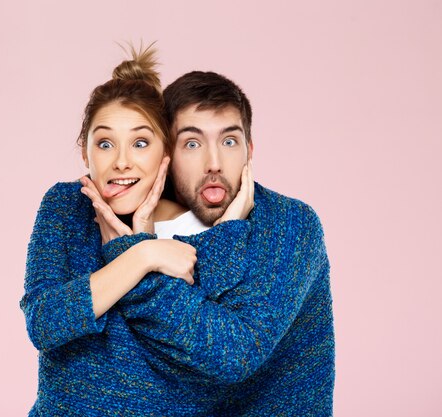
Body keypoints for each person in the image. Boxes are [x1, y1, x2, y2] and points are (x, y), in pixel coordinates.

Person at [87, 71, 335, 415]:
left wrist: (227, 231)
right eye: (192, 143)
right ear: (166, 155)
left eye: (229, 142)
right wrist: (143, 250)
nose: (214, 164)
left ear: (249, 150)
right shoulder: (129, 215)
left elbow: (231, 355)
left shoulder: (289, 224)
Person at [20, 46, 251, 416]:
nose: (121, 161)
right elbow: (45, 323)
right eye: (105, 143)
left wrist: (230, 226)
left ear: (166, 152)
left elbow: (217, 354)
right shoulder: (66, 206)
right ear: (85, 153)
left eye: (140, 143)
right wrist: (142, 255)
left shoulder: (200, 226)